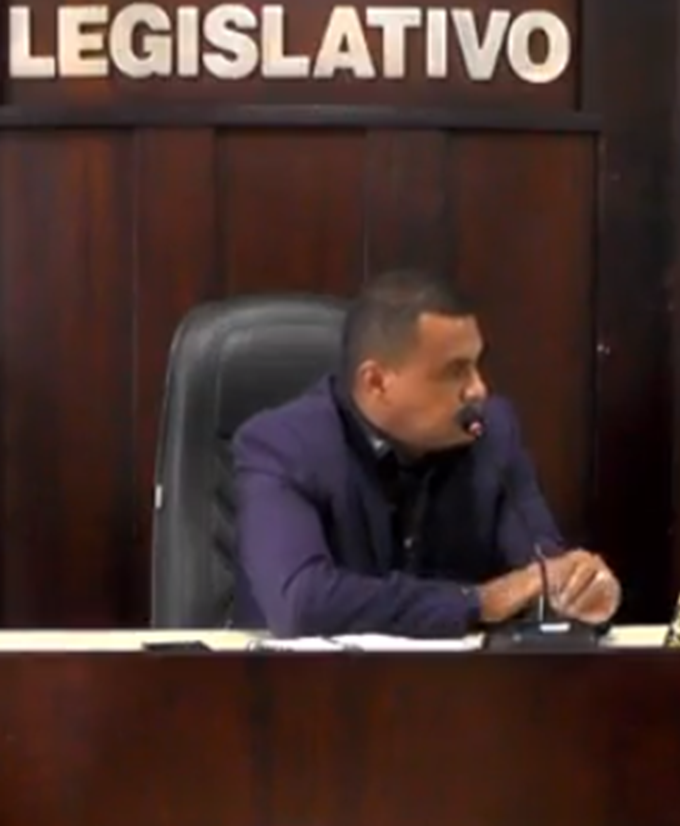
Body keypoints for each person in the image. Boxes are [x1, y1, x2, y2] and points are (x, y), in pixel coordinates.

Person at [231, 269, 622, 638]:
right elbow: (302, 604)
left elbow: (542, 572)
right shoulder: (281, 446)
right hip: (305, 683)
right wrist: (478, 603)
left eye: (477, 365)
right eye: (455, 371)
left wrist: (579, 589)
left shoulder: (492, 434)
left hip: (459, 684)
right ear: (377, 382)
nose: (479, 390)